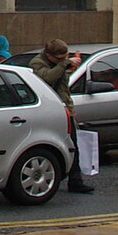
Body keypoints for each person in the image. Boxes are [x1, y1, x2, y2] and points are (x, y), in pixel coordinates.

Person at [31, 38, 94, 194]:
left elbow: (63, 85)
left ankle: (76, 180)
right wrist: (64, 64)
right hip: (47, 110)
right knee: (49, 145)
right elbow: (47, 77)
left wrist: (69, 67)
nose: (64, 60)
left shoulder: (61, 64)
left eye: (65, 57)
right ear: (49, 55)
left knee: (73, 146)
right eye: (60, 58)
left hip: (65, 108)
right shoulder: (37, 63)